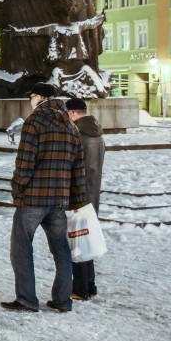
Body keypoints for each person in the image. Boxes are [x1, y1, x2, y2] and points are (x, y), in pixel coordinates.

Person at [1, 82, 87, 313]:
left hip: (33, 198)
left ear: (38, 97)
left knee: (21, 247)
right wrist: (78, 200)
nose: (30, 101)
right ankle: (62, 299)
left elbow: (24, 164)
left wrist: (18, 190)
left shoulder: (34, 122)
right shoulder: (71, 127)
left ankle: (27, 299)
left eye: (31, 96)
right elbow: (78, 169)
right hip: (60, 200)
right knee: (61, 250)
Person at [65, 97, 106, 300]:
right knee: (86, 239)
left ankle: (80, 289)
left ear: (72, 113)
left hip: (79, 194)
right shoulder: (96, 133)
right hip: (93, 193)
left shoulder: (79, 134)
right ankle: (90, 285)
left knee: (78, 242)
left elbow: (73, 167)